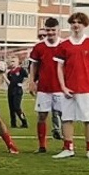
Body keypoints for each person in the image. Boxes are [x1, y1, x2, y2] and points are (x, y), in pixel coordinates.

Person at [52, 12, 89, 160]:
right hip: (69, 88)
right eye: (73, 22)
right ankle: (68, 148)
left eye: (79, 22)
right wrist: (63, 86)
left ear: (84, 25)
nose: (76, 25)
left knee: (88, 119)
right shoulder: (64, 45)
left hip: (86, 87)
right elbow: (59, 67)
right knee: (67, 119)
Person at [27, 18, 64, 153]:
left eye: (53, 30)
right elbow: (34, 65)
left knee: (64, 116)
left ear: (58, 30)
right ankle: (42, 146)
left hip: (61, 88)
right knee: (42, 116)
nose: (50, 33)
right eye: (48, 30)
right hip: (44, 88)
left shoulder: (64, 45)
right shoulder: (39, 47)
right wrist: (31, 82)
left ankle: (67, 146)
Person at [5, 54, 29, 128]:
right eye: (11, 61)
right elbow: (9, 83)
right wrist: (3, 75)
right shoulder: (10, 73)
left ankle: (24, 122)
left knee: (17, 107)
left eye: (14, 61)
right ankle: (13, 123)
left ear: (18, 62)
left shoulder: (21, 70)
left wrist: (23, 85)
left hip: (17, 90)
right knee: (11, 108)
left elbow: (27, 78)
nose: (12, 63)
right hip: (10, 90)